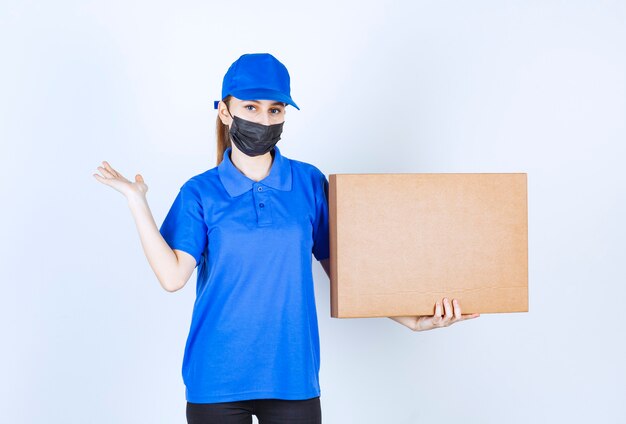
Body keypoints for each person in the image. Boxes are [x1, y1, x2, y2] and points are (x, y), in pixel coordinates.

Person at [93, 52, 480, 424]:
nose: (263, 119)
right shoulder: (200, 192)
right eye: (251, 107)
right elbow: (173, 277)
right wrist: (137, 201)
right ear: (226, 112)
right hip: (216, 378)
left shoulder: (309, 183)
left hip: (293, 376)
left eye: (274, 110)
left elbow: (348, 276)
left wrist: (413, 320)